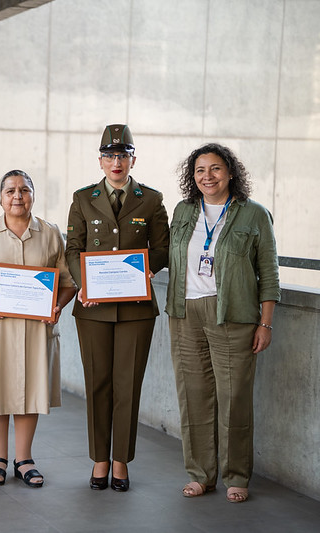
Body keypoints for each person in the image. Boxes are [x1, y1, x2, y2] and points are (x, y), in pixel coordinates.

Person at [166, 143, 280, 503]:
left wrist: (265, 323)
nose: (208, 176)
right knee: (193, 396)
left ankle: (236, 475)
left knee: (234, 398)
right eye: (200, 170)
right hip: (185, 313)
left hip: (232, 314)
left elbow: (268, 274)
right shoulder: (183, 211)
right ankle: (200, 474)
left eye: (215, 169)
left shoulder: (254, 215)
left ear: (230, 172)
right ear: (192, 176)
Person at [0, 170, 77, 488]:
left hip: (36, 329)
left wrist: (58, 305)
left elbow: (67, 281)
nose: (17, 196)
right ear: (0, 198)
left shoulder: (50, 233)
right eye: (10, 190)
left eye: (24, 189)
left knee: (29, 392)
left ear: (33, 195)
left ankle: (24, 458)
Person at [65, 124, 169, 492]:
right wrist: (84, 283)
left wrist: (149, 267)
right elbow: (72, 249)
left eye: (122, 155)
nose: (116, 162)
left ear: (132, 159)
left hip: (136, 308)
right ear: (100, 160)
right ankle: (99, 459)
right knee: (98, 383)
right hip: (93, 307)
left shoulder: (152, 199)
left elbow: (163, 247)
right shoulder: (82, 198)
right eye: (109, 155)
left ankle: (121, 460)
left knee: (128, 385)